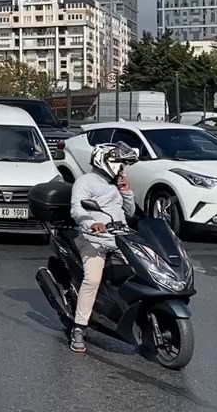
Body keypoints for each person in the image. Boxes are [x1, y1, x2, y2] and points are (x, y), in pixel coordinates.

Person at [67, 142, 137, 353]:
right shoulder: (86, 181)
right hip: (93, 239)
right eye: (119, 163)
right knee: (92, 279)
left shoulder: (117, 183)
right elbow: (77, 209)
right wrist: (91, 224)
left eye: (123, 165)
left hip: (120, 240)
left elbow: (130, 213)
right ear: (104, 160)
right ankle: (79, 328)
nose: (121, 169)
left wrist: (127, 192)